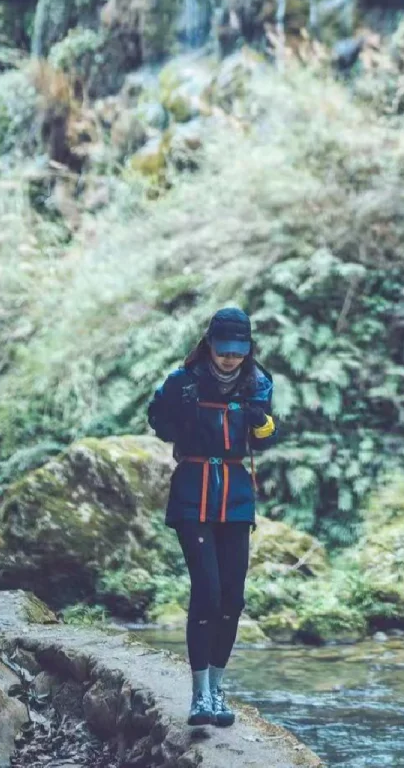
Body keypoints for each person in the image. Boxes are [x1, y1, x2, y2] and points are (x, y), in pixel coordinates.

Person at [147, 305, 276, 728]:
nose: (230, 358)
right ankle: (199, 695)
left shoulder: (258, 383)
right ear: (209, 345)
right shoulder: (183, 382)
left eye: (238, 351)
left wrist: (261, 423)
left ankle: (218, 690)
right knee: (208, 591)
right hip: (193, 491)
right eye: (223, 350)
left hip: (236, 495)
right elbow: (158, 421)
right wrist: (177, 416)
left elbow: (267, 437)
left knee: (233, 599)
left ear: (247, 349)